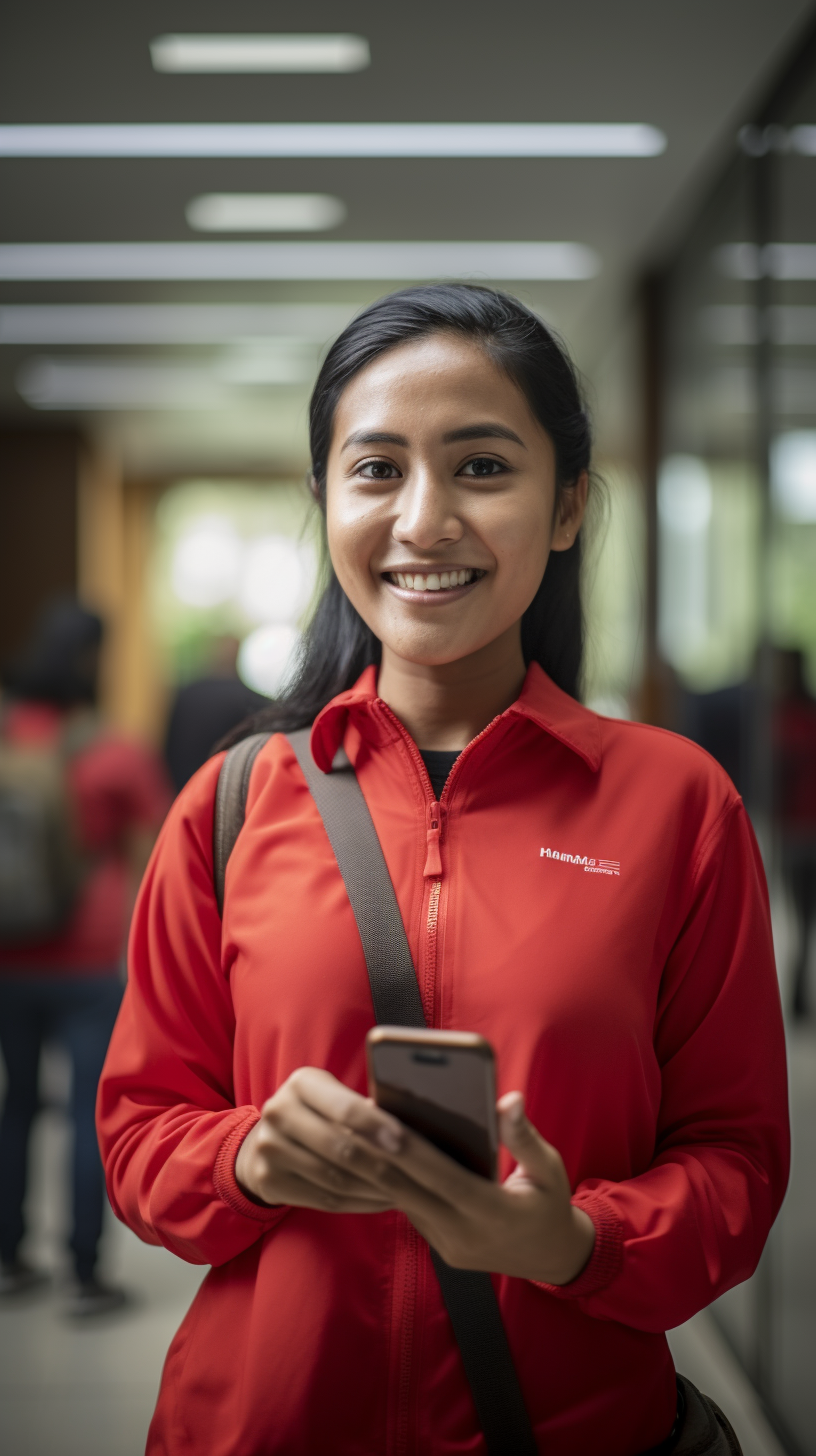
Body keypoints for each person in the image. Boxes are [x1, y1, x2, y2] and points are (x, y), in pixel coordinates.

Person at [98, 287, 788, 1454]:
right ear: (326, 502)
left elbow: (736, 1166)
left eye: (481, 467)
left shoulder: (678, 803)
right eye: (376, 470)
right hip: (260, 1424)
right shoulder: (230, 803)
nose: (424, 520)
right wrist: (246, 1159)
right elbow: (138, 1137)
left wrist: (573, 1240)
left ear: (567, 505)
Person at [0, 600, 171, 1314]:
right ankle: (84, 1272)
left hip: (10, 952)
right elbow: (153, 852)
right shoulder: (113, 750)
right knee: (84, 1111)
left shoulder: (9, 737)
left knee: (15, 1105)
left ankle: (10, 1257)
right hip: (88, 955)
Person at [163, 635, 267, 796]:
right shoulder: (251, 699)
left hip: (185, 786)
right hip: (228, 792)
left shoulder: (187, 694)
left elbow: (169, 743)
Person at [773, 648, 816, 1019]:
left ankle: (801, 994)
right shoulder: (779, 716)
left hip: (803, 829)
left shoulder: (789, 718)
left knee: (803, 918)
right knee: (800, 918)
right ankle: (799, 994)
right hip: (793, 831)